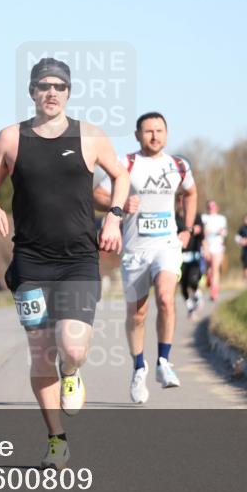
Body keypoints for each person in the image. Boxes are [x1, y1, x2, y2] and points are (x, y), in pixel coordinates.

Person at [0, 57, 129, 469]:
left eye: (59, 86)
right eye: (43, 85)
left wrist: (114, 217)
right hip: (29, 262)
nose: (51, 92)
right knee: (41, 351)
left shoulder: (90, 136)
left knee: (72, 346)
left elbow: (121, 176)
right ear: (31, 91)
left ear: (68, 92)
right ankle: (56, 439)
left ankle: (73, 373)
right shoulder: (11, 138)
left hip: (79, 260)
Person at [94, 111, 197, 404]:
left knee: (166, 298)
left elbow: (190, 193)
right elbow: (97, 196)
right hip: (135, 250)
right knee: (137, 315)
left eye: (160, 130)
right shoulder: (126, 165)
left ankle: (164, 361)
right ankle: (139, 366)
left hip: (167, 245)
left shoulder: (178, 165)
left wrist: (187, 229)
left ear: (167, 133)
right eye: (148, 131)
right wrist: (122, 203)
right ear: (138, 135)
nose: (155, 136)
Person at [178, 201, 205, 320]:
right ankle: (190, 308)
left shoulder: (196, 216)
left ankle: (198, 295)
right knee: (183, 285)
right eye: (180, 200)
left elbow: (200, 230)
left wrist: (189, 231)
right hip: (179, 255)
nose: (183, 203)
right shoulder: (174, 217)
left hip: (194, 255)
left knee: (193, 280)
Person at [200, 200, 227, 301]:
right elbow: (203, 234)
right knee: (208, 269)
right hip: (206, 245)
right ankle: (208, 278)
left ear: (217, 207)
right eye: (209, 206)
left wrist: (215, 232)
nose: (212, 207)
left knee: (215, 268)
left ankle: (214, 292)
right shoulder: (204, 218)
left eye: (213, 206)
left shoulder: (221, 218)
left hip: (217, 246)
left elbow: (223, 232)